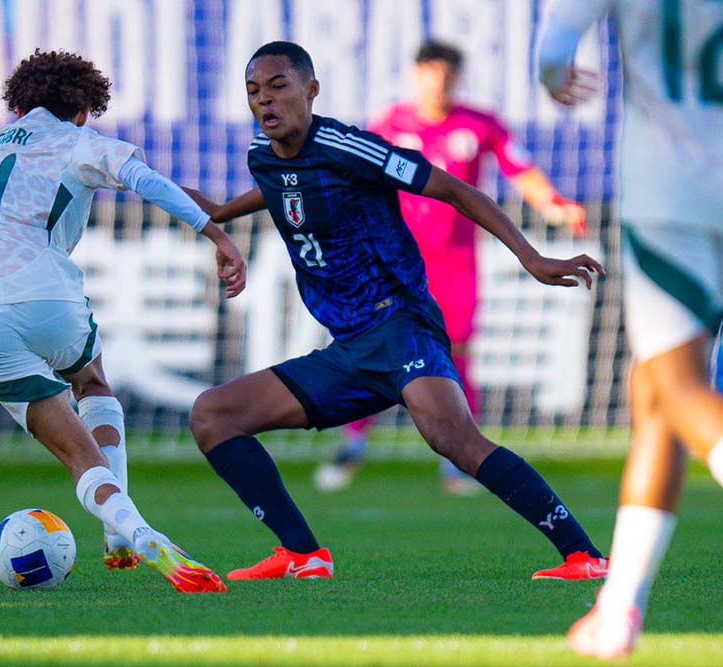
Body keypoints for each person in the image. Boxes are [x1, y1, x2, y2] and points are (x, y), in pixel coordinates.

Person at [185, 41, 608, 583]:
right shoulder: (264, 158)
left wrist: (531, 256)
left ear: (311, 90)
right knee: (214, 415)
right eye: (253, 91)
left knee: (454, 439)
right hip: (351, 349)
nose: (265, 101)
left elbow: (455, 189)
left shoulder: (349, 146)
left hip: (399, 325)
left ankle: (585, 555)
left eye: (278, 86)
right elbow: (284, 188)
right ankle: (302, 553)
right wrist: (221, 215)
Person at [0, 49, 246, 594]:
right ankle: (124, 533)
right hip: (46, 297)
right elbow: (147, 181)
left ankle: (131, 529)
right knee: (93, 384)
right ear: (83, 107)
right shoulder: (79, 141)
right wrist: (217, 235)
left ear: (22, 101)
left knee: (75, 452)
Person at [315, 40, 588, 495]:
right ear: (417, 76)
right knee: (373, 347)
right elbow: (353, 179)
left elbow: (521, 171)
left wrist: (554, 205)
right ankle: (354, 443)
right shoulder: (389, 125)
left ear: (457, 79)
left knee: (457, 353)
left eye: (445, 78)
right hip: (394, 262)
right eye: (429, 76)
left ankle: (461, 459)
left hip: (456, 263)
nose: (437, 86)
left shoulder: (481, 125)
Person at [538, 0, 723, 659]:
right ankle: (619, 608)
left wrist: (551, 79)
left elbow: (555, 46)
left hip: (673, 197)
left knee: (676, 386)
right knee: (654, 393)